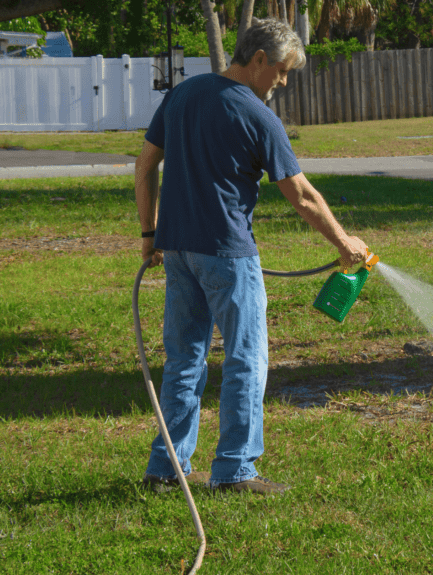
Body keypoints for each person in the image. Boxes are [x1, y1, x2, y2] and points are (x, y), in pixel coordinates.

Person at [135, 17, 368, 496]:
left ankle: (166, 470)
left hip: (177, 250)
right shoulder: (259, 116)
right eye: (282, 71)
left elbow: (144, 167)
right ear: (259, 59)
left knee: (184, 359)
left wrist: (149, 233)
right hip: (226, 254)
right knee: (246, 359)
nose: (283, 82)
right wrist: (346, 245)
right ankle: (236, 470)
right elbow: (301, 195)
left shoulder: (182, 95)